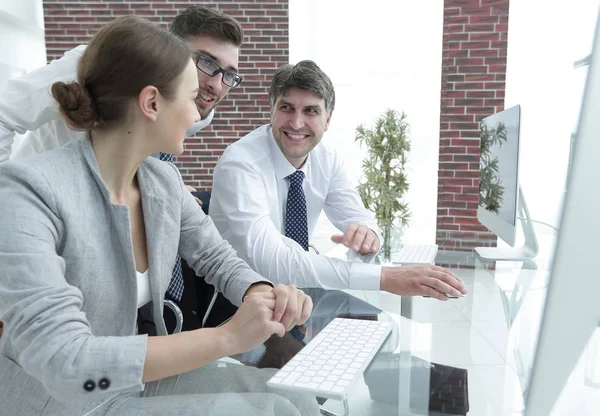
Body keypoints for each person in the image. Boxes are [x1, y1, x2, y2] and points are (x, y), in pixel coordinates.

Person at [0, 16, 318, 416]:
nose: (198, 115)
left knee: (297, 396)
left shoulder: (162, 180)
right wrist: (228, 338)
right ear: (151, 103)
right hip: (63, 402)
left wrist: (261, 293)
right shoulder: (29, 189)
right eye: (190, 99)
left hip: (128, 384)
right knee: (276, 412)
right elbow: (67, 365)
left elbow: (215, 257)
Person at [0, 5, 247, 328]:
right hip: (50, 219)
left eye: (228, 74)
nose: (216, 84)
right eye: (206, 62)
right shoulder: (94, 67)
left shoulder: (199, 106)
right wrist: (13, 208)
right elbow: (5, 113)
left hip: (111, 221)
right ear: (169, 47)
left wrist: (156, 185)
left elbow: (142, 142)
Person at [210, 60, 468, 300]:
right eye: (286, 108)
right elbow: (270, 261)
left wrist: (368, 234)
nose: (297, 123)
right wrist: (385, 277)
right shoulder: (241, 163)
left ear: (328, 119)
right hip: (238, 303)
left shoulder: (326, 157)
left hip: (297, 299)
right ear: (272, 110)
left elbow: (359, 216)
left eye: (311, 111)